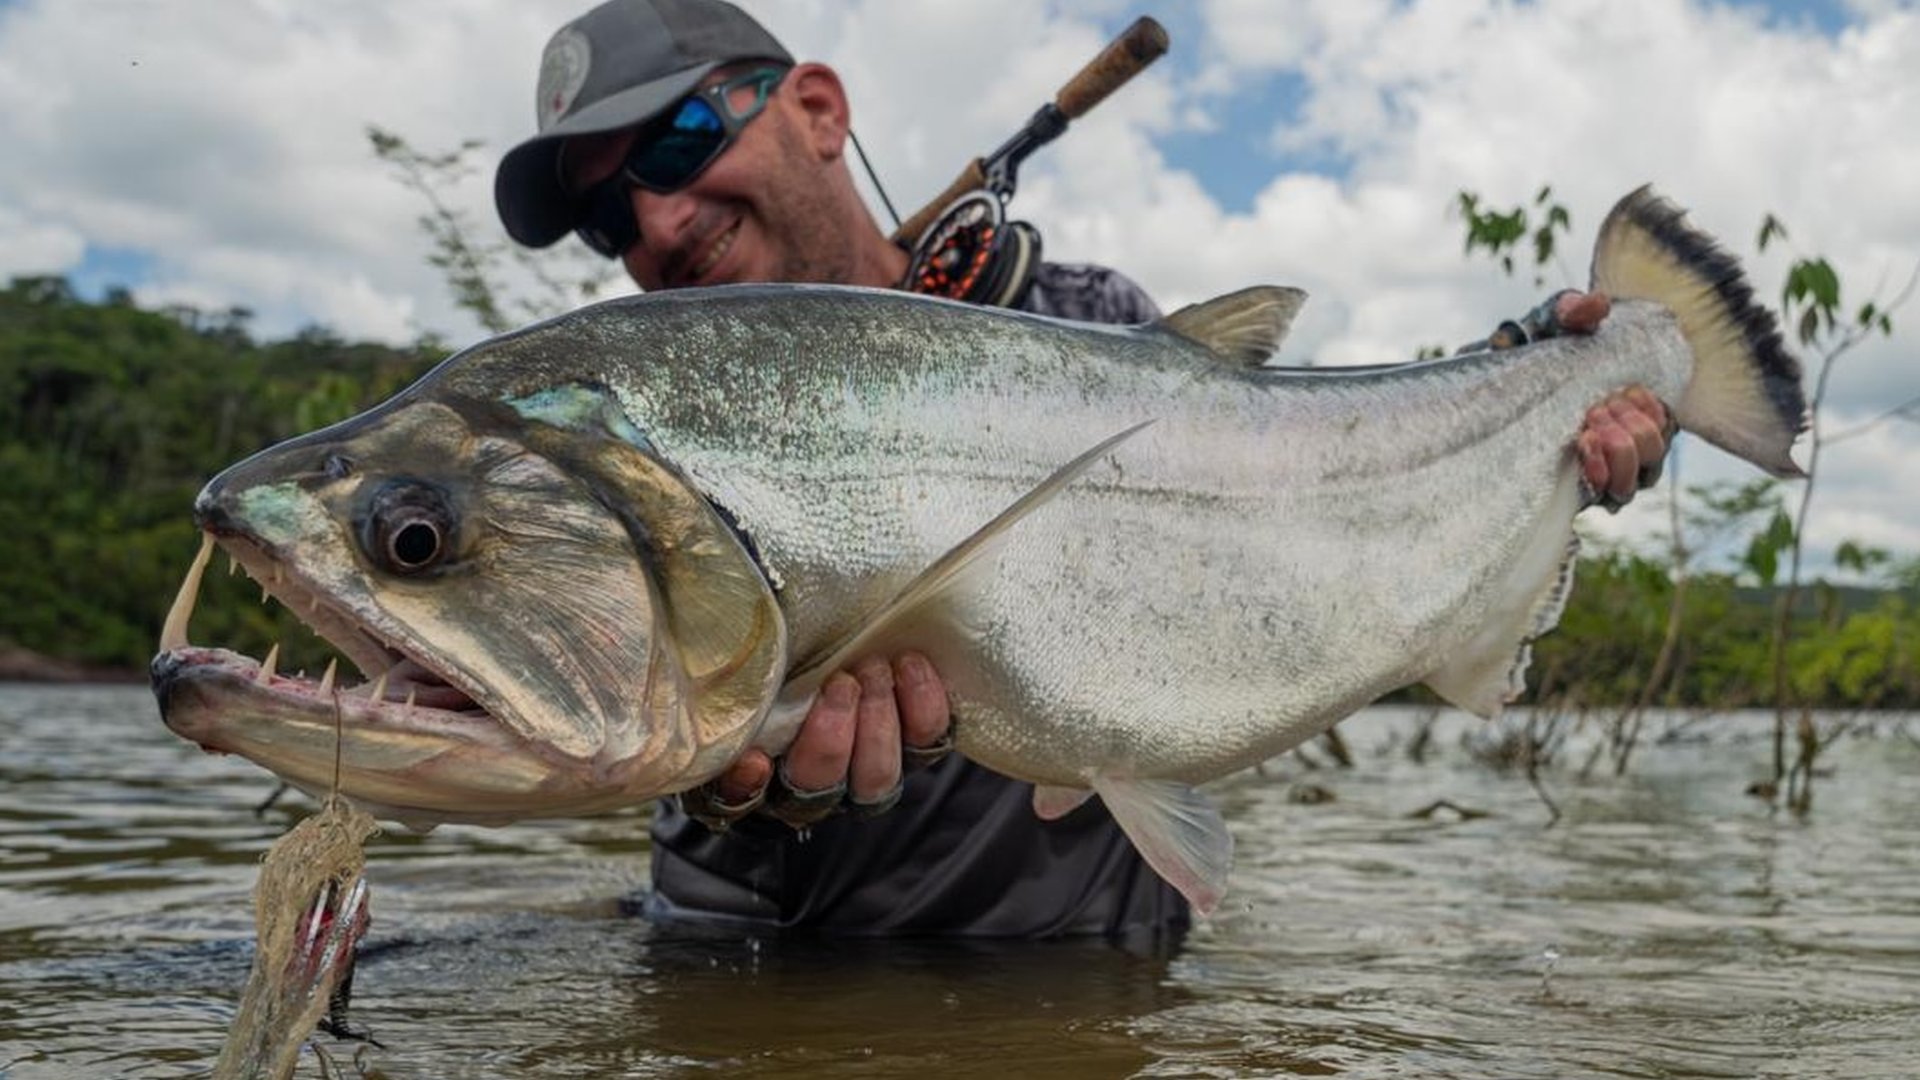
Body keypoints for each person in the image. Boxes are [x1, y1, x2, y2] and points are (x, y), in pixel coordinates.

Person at [493, 0, 1672, 938]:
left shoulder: (1093, 324)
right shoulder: (623, 410)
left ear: (815, 108)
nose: (654, 222)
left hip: (1077, 974)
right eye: (606, 220)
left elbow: (1300, 514)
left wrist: (1529, 386)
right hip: (724, 970)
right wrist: (745, 791)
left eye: (681, 142)